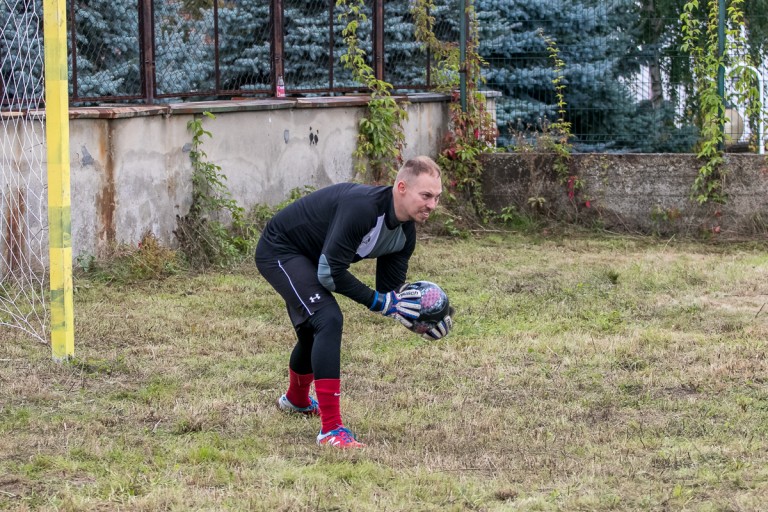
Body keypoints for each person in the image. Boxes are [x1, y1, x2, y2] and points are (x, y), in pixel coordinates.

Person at [255, 156, 453, 449]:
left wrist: (424, 314)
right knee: (328, 319)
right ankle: (331, 430)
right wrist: (378, 303)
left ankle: (296, 401)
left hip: (313, 257)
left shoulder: (404, 234)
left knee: (314, 329)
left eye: (436, 198)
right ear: (401, 187)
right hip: (281, 250)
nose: (432, 205)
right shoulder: (363, 207)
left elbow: (389, 293)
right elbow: (330, 273)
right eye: (425, 195)